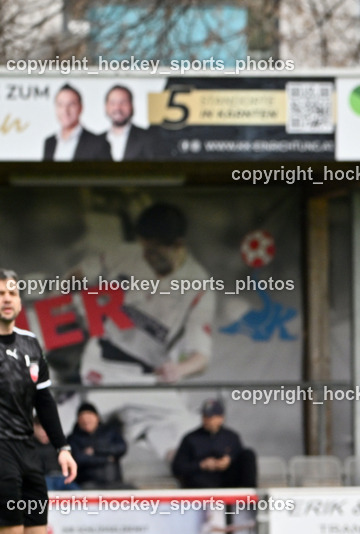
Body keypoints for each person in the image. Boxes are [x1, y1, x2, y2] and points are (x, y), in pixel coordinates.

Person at [72, 202, 216, 460]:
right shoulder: (124, 255)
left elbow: (201, 357)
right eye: (144, 248)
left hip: (150, 377)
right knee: (65, 430)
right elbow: (79, 274)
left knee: (188, 445)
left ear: (178, 244)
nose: (147, 256)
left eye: (154, 251)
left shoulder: (199, 286)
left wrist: (179, 370)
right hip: (104, 366)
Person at [0, 269, 77, 534]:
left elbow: (44, 400)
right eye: (0, 293)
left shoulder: (32, 344)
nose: (7, 298)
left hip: (27, 452)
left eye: (13, 293)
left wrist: (62, 446)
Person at [171, 399, 257, 488]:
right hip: (201, 481)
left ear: (221, 418)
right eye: (204, 416)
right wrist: (201, 465)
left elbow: (240, 457)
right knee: (195, 479)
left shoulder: (231, 437)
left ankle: (249, 495)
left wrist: (228, 460)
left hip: (227, 479)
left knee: (249, 454)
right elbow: (178, 467)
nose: (207, 420)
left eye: (210, 416)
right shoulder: (190, 438)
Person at [68, 402, 129, 489]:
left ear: (97, 417)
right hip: (88, 484)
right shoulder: (73, 438)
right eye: (83, 418)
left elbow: (121, 447)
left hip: (114, 482)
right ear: (78, 420)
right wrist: (107, 458)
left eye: (89, 417)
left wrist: (96, 450)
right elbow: (79, 459)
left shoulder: (109, 432)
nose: (86, 421)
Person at [42, 84, 111, 161]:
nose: (65, 111)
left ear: (81, 107)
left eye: (71, 104)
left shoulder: (99, 144)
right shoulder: (50, 143)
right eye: (60, 105)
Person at [104, 85, 157, 161]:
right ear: (106, 106)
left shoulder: (148, 138)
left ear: (131, 105)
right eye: (112, 103)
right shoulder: (96, 141)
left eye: (123, 102)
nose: (117, 108)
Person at [33, 417, 77, 491]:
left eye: (47, 429)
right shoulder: (29, 445)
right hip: (43, 478)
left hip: (62, 477)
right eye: (41, 429)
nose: (45, 433)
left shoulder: (59, 444)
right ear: (34, 427)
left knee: (78, 492)